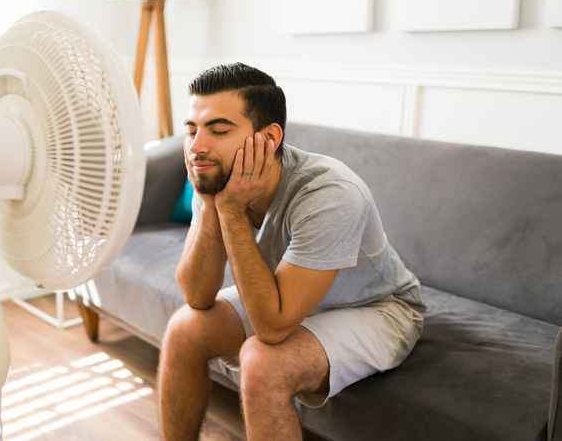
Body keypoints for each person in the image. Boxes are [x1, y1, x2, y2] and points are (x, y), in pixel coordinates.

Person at [157, 63, 425, 441]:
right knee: (185, 328)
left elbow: (272, 327)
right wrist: (209, 204)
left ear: (268, 138)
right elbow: (197, 295)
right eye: (192, 130)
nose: (198, 146)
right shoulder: (217, 174)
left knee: (262, 363)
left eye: (218, 130)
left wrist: (230, 211)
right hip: (294, 296)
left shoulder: (330, 194)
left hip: (378, 308)